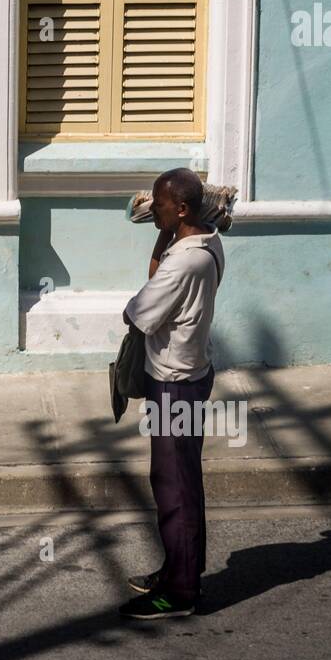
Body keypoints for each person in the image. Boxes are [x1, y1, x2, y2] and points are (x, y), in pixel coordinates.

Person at [118, 167, 225, 620]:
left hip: (174, 387)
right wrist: (163, 232)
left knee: (174, 488)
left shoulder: (185, 261)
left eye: (159, 206)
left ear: (181, 209)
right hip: (189, 377)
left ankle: (181, 593)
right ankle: (179, 570)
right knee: (179, 482)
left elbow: (136, 313)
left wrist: (162, 243)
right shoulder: (207, 241)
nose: (151, 210)